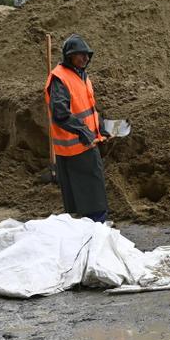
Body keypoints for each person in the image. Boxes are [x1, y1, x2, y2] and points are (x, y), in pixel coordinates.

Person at [45, 34, 109, 223]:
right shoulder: (60, 78)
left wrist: (101, 127)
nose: (85, 58)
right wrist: (82, 130)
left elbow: (87, 107)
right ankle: (96, 230)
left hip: (85, 143)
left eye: (87, 55)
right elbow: (60, 113)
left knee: (85, 195)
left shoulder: (81, 75)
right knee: (92, 196)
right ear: (69, 56)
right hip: (77, 147)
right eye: (80, 55)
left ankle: (91, 228)